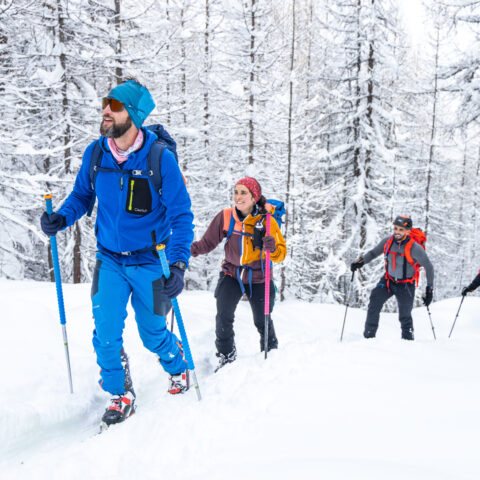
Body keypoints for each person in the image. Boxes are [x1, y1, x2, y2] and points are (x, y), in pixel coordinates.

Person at [40, 80, 194, 427]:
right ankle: (120, 393)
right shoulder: (96, 153)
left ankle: (178, 365)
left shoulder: (160, 160)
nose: (106, 110)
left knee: (152, 333)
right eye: (105, 103)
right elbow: (82, 196)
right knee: (105, 333)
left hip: (151, 261)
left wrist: (178, 264)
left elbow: (181, 217)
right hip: (109, 258)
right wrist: (61, 217)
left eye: (115, 105)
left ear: (134, 116)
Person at [190, 177, 286, 371]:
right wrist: (183, 251)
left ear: (254, 197)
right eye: (236, 192)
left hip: (259, 277)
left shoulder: (267, 220)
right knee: (223, 316)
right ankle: (226, 358)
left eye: (243, 192)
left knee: (262, 320)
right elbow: (207, 243)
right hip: (232, 274)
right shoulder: (226, 217)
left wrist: (273, 248)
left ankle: (271, 357)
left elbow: (280, 254)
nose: (238, 196)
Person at [350, 215, 434, 340]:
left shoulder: (415, 248)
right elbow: (373, 253)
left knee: (405, 316)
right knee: (374, 302)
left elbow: (429, 267)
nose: (397, 232)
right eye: (395, 228)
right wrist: (361, 262)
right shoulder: (388, 242)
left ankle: (408, 344)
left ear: (408, 231)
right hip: (388, 281)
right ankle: (368, 338)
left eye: (401, 229)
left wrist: (429, 289)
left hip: (406, 285)